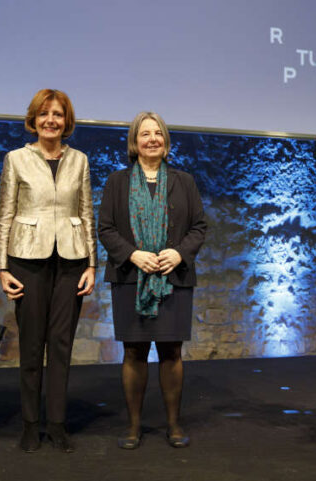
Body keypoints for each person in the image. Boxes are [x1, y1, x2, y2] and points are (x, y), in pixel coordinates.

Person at [0, 89, 97, 454]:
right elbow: (5, 214)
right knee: (31, 344)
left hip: (71, 261)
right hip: (26, 260)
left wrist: (92, 264)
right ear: (34, 119)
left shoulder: (80, 161)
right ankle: (29, 424)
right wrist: (2, 267)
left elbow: (87, 214)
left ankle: (56, 424)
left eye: (57, 114)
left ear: (66, 121)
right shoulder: (16, 159)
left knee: (61, 345)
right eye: (44, 114)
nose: (50, 120)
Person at [98, 112, 206, 449]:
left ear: (166, 141)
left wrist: (178, 253)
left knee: (172, 351)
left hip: (174, 277)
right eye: (145, 134)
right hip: (131, 276)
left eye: (158, 133)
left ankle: (173, 425)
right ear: (135, 141)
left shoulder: (183, 181)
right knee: (134, 352)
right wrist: (133, 254)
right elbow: (106, 229)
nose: (152, 139)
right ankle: (133, 427)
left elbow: (199, 227)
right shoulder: (117, 182)